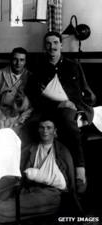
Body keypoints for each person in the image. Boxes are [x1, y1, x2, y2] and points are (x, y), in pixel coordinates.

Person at [0, 116, 81, 225]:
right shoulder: (31, 148)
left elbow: (65, 185)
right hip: (29, 187)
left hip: (51, 194)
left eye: (48, 127)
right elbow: (18, 170)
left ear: (55, 131)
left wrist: (38, 175)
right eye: (41, 127)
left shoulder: (62, 152)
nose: (44, 131)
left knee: (6, 207)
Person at [26, 31, 96, 189]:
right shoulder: (39, 68)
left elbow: (82, 91)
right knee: (31, 124)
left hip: (70, 107)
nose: (52, 47)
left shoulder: (73, 66)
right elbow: (34, 96)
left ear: (61, 45)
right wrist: (58, 104)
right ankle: (30, 173)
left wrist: (74, 104)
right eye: (49, 44)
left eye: (56, 43)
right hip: (47, 108)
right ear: (45, 47)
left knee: (68, 123)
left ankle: (80, 171)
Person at [0, 47, 32, 131]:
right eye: (15, 59)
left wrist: (22, 117)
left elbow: (32, 104)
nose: (18, 63)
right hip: (0, 113)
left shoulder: (30, 77)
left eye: (21, 60)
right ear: (11, 60)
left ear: (25, 62)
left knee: (20, 133)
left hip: (20, 115)